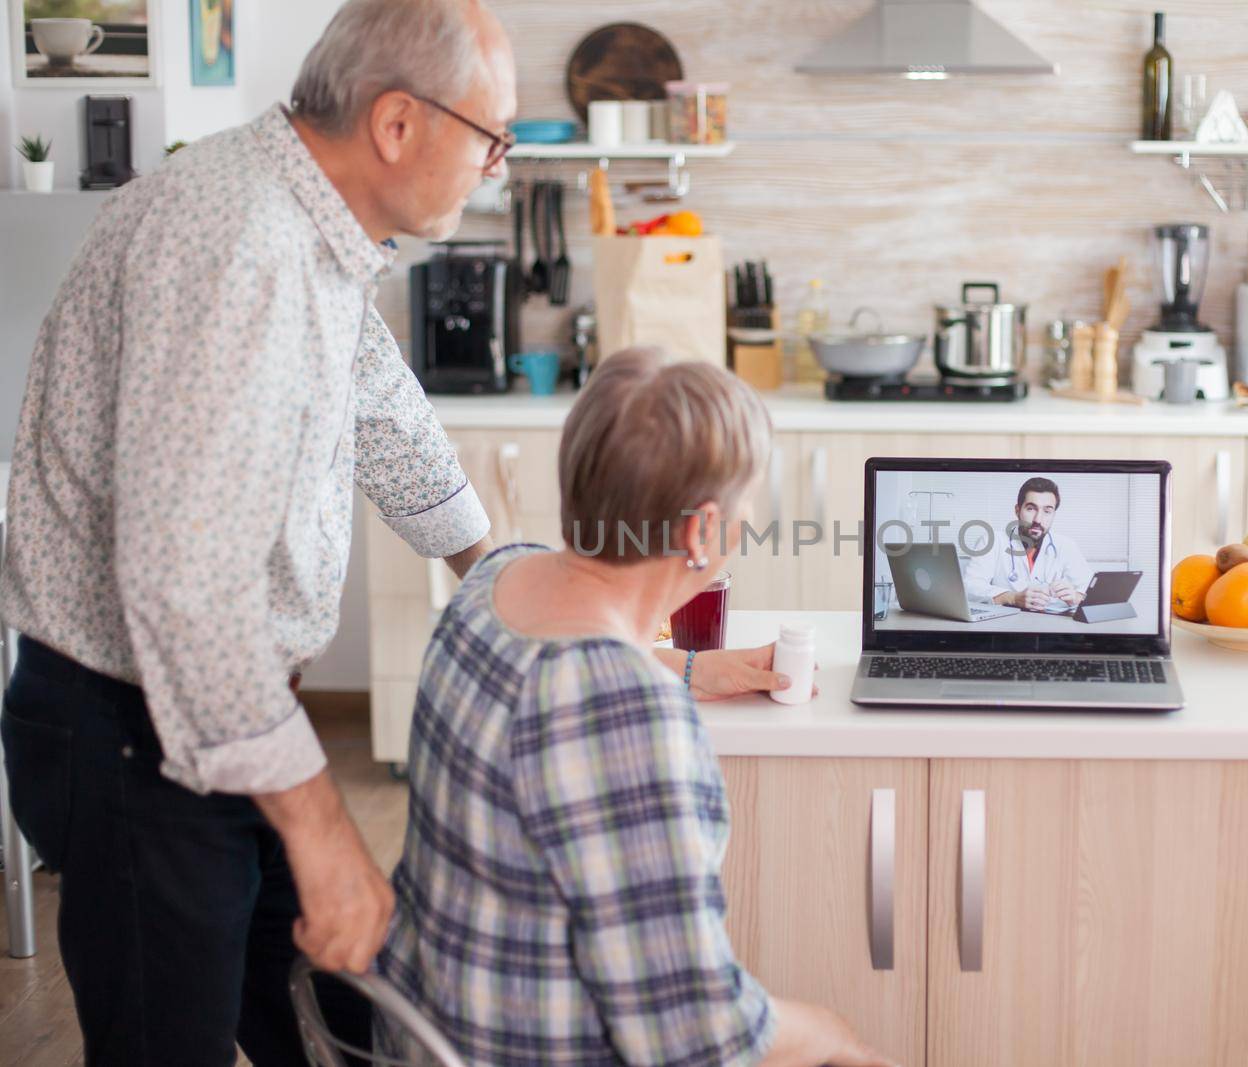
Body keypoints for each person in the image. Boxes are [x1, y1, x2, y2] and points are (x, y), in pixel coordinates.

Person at [0, 1, 776, 1061]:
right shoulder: (242, 249)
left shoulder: (309, 222)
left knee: (317, 1007)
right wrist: (322, 832)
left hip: (216, 707)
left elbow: (384, 410)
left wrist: (506, 571)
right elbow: (184, 589)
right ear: (399, 124)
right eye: (491, 135)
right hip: (132, 721)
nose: (499, 164)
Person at [378, 348, 893, 1067]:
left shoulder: (493, 580)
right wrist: (835, 1033)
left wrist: (690, 666)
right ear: (702, 532)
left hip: (420, 1033)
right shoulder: (630, 718)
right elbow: (695, 1036)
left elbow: (564, 666)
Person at [963, 476, 1093, 611]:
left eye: (1047, 511)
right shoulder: (992, 541)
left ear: (1054, 514)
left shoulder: (1066, 546)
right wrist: (1013, 598)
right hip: (1005, 625)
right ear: (1017, 510)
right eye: (1031, 509)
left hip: (1053, 625)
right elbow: (970, 587)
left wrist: (1076, 597)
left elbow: (1091, 591)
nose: (1038, 519)